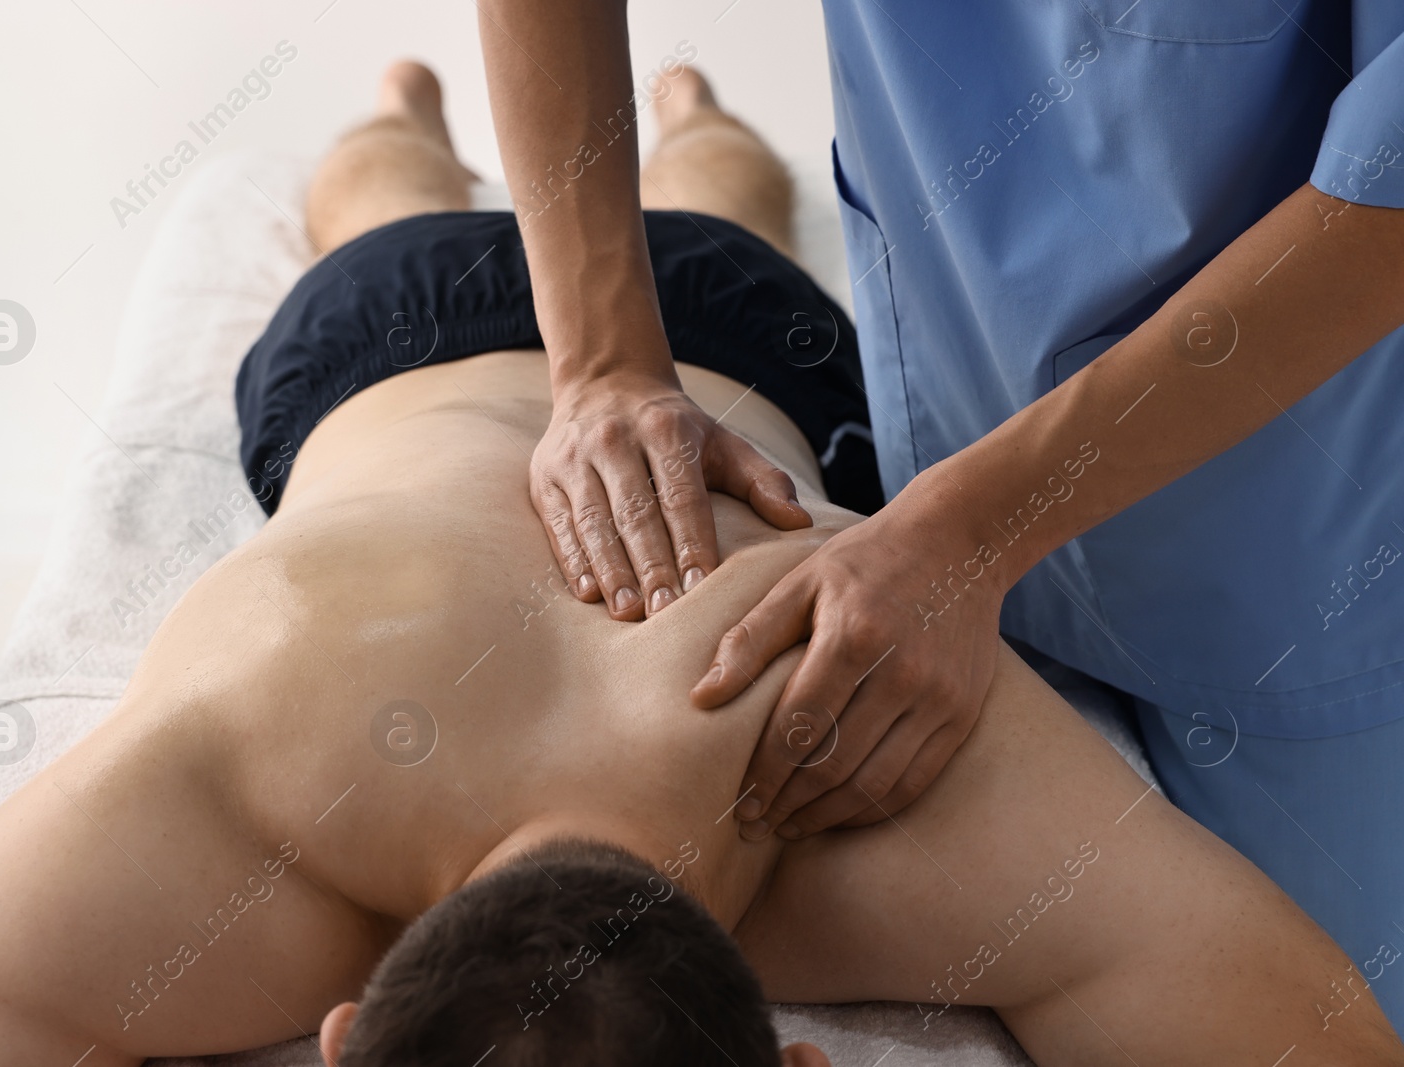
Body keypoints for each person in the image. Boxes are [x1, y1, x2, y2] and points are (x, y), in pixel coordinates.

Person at [0, 62, 1398, 1067]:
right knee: (448, 193)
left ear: (343, 1042)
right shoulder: (214, 837)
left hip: (516, 354)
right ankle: (462, 116)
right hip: (506, 344)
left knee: (587, 204)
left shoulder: (214, 801)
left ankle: (509, 124)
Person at [475, 0, 1404, 1025]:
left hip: (1314, 509)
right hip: (949, 369)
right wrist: (602, 358)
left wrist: (975, 529)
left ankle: (679, 110)